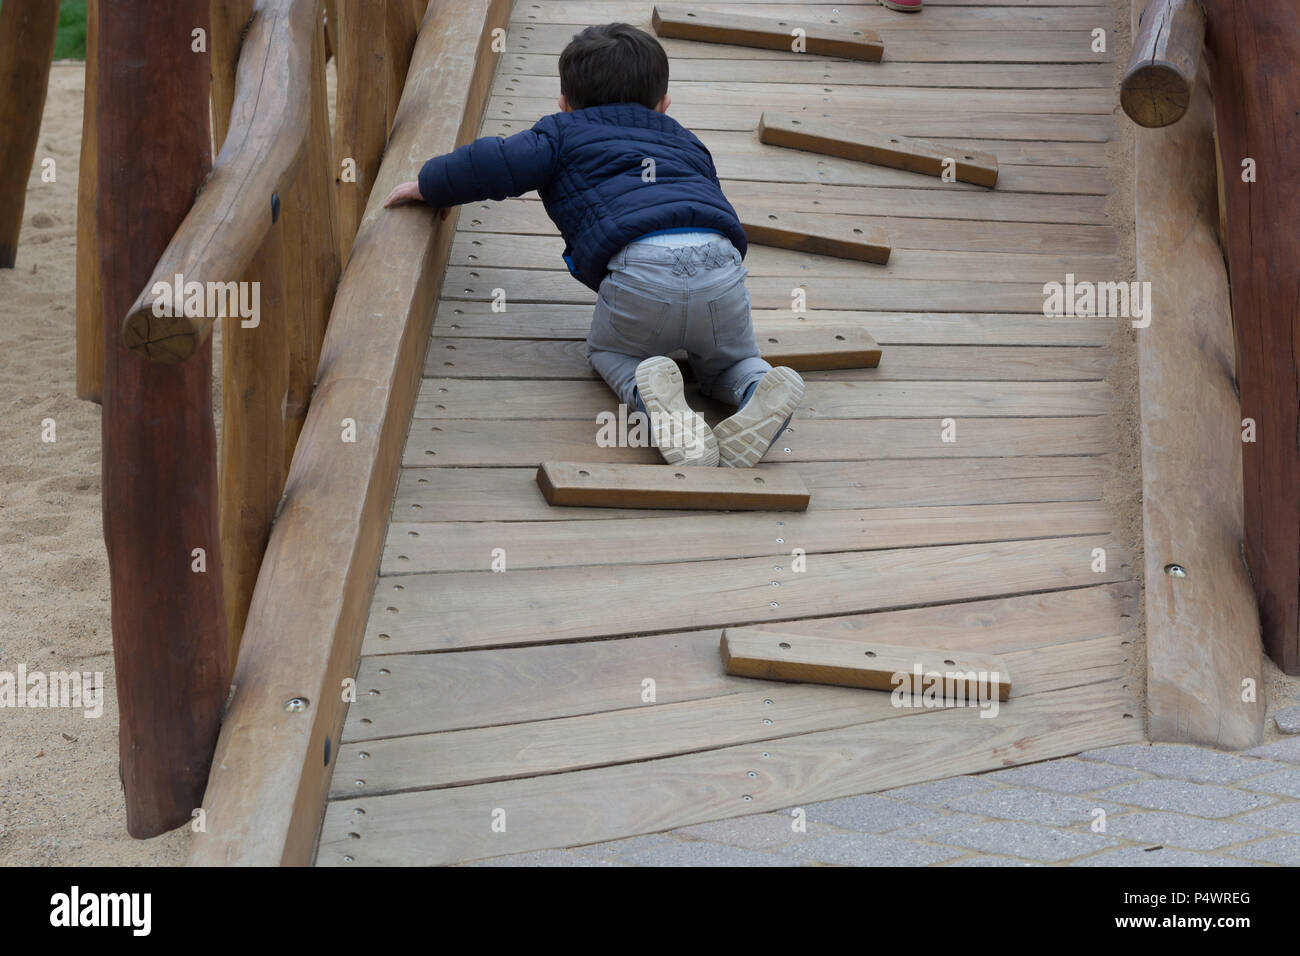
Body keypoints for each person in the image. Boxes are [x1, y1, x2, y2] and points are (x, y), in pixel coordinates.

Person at [383, 22, 804, 468]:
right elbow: (708, 194)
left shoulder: (560, 133)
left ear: (564, 104)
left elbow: (497, 162)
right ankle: (757, 388)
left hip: (641, 269)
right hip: (719, 263)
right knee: (731, 362)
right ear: (663, 105)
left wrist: (433, 185)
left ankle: (651, 397)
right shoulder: (684, 138)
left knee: (611, 352)